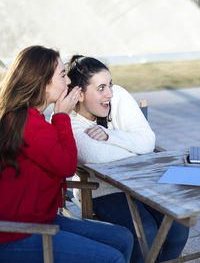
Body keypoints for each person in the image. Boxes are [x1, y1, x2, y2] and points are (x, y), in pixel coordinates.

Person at [0, 45, 133, 262]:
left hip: (42, 219)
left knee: (123, 238)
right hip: (16, 232)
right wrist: (62, 116)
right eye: (63, 75)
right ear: (43, 83)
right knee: (112, 258)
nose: (69, 81)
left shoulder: (30, 118)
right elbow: (66, 165)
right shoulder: (26, 123)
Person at [67, 55, 189, 263]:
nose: (110, 94)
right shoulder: (68, 119)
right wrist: (136, 148)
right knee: (146, 232)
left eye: (110, 85)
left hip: (140, 181)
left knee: (178, 226)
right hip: (100, 189)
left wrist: (110, 135)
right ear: (79, 93)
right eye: (101, 88)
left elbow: (148, 142)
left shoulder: (118, 96)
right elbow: (97, 157)